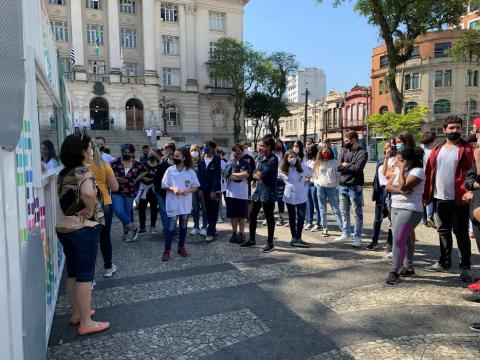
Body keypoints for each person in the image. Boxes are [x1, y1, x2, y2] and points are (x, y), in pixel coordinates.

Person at [56, 133, 109, 336]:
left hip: (64, 228)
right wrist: (90, 207)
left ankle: (78, 313)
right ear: (81, 151)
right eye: (89, 148)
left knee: (73, 272)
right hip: (83, 227)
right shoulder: (82, 171)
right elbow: (88, 192)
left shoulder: (64, 171)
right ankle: (86, 322)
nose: (91, 151)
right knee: (85, 276)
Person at [423, 116, 474, 282]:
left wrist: (471, 191)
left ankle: (465, 267)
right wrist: (427, 196)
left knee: (461, 235)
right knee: (443, 232)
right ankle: (444, 262)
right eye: (451, 128)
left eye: (458, 127)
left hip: (459, 200)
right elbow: (429, 174)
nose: (455, 130)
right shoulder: (437, 150)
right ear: (444, 129)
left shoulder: (468, 149)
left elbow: (474, 173)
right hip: (439, 199)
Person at [385, 147, 425, 284]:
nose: (396, 161)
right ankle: (408, 267)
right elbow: (388, 186)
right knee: (405, 239)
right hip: (395, 207)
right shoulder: (397, 169)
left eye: (400, 160)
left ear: (408, 161)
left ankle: (394, 272)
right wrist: (399, 191)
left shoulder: (418, 172)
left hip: (411, 209)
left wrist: (401, 170)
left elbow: (403, 186)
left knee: (398, 239)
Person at [241, 134, 278, 252]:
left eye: (262, 146)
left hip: (268, 191)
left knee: (269, 217)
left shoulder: (273, 159)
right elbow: (254, 173)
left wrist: (257, 175)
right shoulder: (258, 158)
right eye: (259, 145)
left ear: (269, 147)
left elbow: (262, 174)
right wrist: (256, 175)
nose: (260, 147)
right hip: (258, 190)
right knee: (252, 214)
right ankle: (252, 239)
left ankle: (270, 243)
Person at [161, 148, 200, 261]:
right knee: (170, 227)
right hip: (173, 202)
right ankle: (167, 250)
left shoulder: (190, 171)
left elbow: (195, 186)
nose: (174, 158)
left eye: (177, 156)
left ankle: (181, 247)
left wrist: (188, 191)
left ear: (184, 158)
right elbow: (163, 185)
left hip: (185, 203)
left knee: (183, 226)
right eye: (174, 156)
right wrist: (173, 189)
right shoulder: (169, 170)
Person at [89, 141, 119, 278]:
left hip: (88, 204)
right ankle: (108, 267)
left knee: (90, 240)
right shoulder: (104, 165)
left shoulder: (81, 167)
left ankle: (90, 275)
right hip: (105, 202)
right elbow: (115, 187)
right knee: (105, 237)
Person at [335, 131, 368, 248]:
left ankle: (357, 237)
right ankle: (346, 232)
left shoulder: (362, 152)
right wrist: (349, 165)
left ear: (354, 140)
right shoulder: (344, 151)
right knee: (344, 212)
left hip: (355, 186)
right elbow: (338, 167)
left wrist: (346, 165)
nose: (345, 143)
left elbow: (358, 168)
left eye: (347, 141)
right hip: (343, 185)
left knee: (357, 213)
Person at [110, 144, 146, 242]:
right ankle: (133, 227)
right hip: (116, 191)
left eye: (129, 153)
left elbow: (145, 171)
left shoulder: (137, 164)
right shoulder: (114, 163)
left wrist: (137, 178)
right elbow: (107, 175)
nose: (126, 154)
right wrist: (115, 178)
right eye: (124, 152)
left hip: (130, 191)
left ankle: (126, 234)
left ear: (132, 153)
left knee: (127, 213)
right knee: (118, 211)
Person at [279, 150, 312, 247]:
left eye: (293, 156)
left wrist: (306, 178)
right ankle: (294, 237)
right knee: (292, 217)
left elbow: (310, 173)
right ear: (286, 158)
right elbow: (277, 177)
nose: (292, 159)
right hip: (289, 196)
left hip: (301, 196)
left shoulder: (301, 166)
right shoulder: (282, 169)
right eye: (290, 157)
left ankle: (298, 237)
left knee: (301, 217)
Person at [367, 141, 394, 251]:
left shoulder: (397, 161)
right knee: (377, 219)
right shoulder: (380, 161)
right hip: (380, 192)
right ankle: (374, 241)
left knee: (392, 219)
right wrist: (375, 192)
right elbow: (377, 179)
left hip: (391, 191)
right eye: (386, 147)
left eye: (391, 147)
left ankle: (389, 243)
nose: (388, 149)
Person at [313, 144, 343, 238]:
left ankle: (343, 228)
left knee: (336, 209)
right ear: (321, 153)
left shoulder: (335, 162)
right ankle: (325, 228)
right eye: (324, 152)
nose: (325, 153)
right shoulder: (318, 162)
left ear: (330, 153)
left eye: (327, 152)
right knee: (322, 209)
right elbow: (315, 175)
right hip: (321, 188)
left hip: (331, 188)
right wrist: (317, 184)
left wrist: (336, 186)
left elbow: (338, 176)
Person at [224, 144, 251, 244]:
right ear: (233, 152)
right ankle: (234, 233)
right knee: (233, 216)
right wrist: (240, 175)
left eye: (239, 150)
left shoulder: (246, 163)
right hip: (231, 194)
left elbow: (246, 175)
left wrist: (233, 174)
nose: (237, 152)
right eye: (235, 151)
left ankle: (242, 234)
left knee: (242, 216)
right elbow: (227, 176)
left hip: (242, 194)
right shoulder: (229, 163)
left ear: (242, 152)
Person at [198, 140, 222, 243]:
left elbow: (217, 176)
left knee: (214, 210)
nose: (204, 148)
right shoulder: (201, 160)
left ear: (212, 148)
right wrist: (199, 189)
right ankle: (212, 228)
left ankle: (210, 233)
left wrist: (214, 190)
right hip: (204, 189)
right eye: (203, 147)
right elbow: (199, 175)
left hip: (214, 189)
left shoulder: (216, 159)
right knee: (206, 210)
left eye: (206, 146)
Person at [136, 149, 159, 235]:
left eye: (153, 154)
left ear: (156, 155)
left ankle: (153, 227)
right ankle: (142, 228)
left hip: (153, 189)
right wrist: (143, 178)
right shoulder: (143, 164)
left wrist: (153, 180)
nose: (151, 155)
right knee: (141, 209)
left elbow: (160, 177)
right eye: (150, 154)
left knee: (154, 209)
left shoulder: (159, 166)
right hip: (143, 188)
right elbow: (138, 174)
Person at [189, 144, 208, 236]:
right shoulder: (189, 163)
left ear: (199, 152)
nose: (194, 152)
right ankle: (196, 226)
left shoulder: (202, 161)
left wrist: (200, 189)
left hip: (202, 189)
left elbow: (203, 177)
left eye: (195, 150)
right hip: (192, 189)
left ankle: (204, 226)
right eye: (192, 150)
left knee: (204, 208)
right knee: (195, 208)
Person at [153, 149, 173, 236]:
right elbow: (156, 179)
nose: (172, 160)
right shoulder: (162, 165)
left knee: (172, 211)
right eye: (170, 158)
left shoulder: (177, 167)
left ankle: (171, 228)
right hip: (160, 191)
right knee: (163, 210)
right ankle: (166, 229)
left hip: (171, 192)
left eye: (173, 158)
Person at [419, 131, 437, 227]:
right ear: (432, 140)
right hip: (431, 176)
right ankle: (430, 216)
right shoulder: (434, 151)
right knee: (431, 196)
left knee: (422, 197)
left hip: (420, 176)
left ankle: (424, 220)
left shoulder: (420, 149)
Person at [305, 145, 321, 231]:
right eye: (307, 150)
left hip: (315, 184)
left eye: (309, 150)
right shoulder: (308, 161)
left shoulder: (318, 161)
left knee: (316, 204)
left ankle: (318, 223)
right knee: (309, 203)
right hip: (308, 183)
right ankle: (309, 221)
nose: (308, 152)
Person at [216, 148, 228, 223]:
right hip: (217, 183)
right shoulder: (216, 161)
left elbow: (225, 172)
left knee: (220, 200)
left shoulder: (223, 162)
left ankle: (220, 215)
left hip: (222, 183)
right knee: (219, 201)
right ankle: (219, 215)